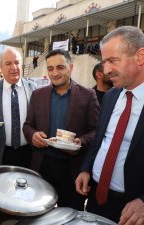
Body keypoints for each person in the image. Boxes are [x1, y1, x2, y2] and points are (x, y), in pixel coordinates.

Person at [75, 26, 144, 225]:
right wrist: (87, 169)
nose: (106, 71)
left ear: (140, 56)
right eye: (104, 62)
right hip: (98, 199)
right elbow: (101, 140)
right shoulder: (111, 96)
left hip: (137, 212)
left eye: (113, 61)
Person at [23, 49, 99, 208]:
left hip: (71, 169)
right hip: (42, 166)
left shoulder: (88, 95)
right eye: (50, 69)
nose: (54, 73)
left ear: (71, 68)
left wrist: (81, 141)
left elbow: (96, 130)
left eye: (60, 67)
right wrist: (33, 135)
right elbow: (27, 125)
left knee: (69, 214)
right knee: (38, 212)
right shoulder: (38, 95)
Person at [0, 47, 37, 167]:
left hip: (29, 153)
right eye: (8, 63)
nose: (14, 67)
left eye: (17, 62)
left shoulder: (34, 89)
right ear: (1, 67)